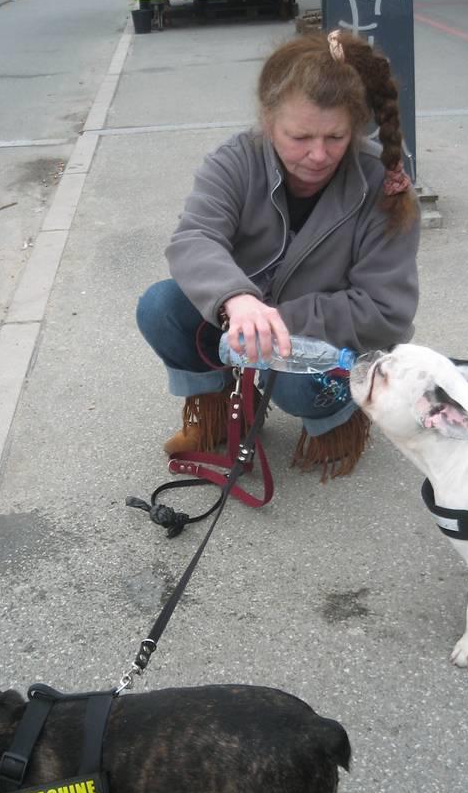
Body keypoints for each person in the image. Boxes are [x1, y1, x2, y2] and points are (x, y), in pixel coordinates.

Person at [136, 29, 420, 481]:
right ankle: (218, 416)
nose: (318, 155)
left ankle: (337, 427)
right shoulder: (234, 160)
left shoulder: (381, 185)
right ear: (268, 122)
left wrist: (278, 318)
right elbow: (194, 238)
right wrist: (237, 298)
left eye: (335, 137)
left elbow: (386, 310)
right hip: (246, 321)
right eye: (300, 136)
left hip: (327, 341)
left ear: (356, 126)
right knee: (161, 306)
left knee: (296, 384)